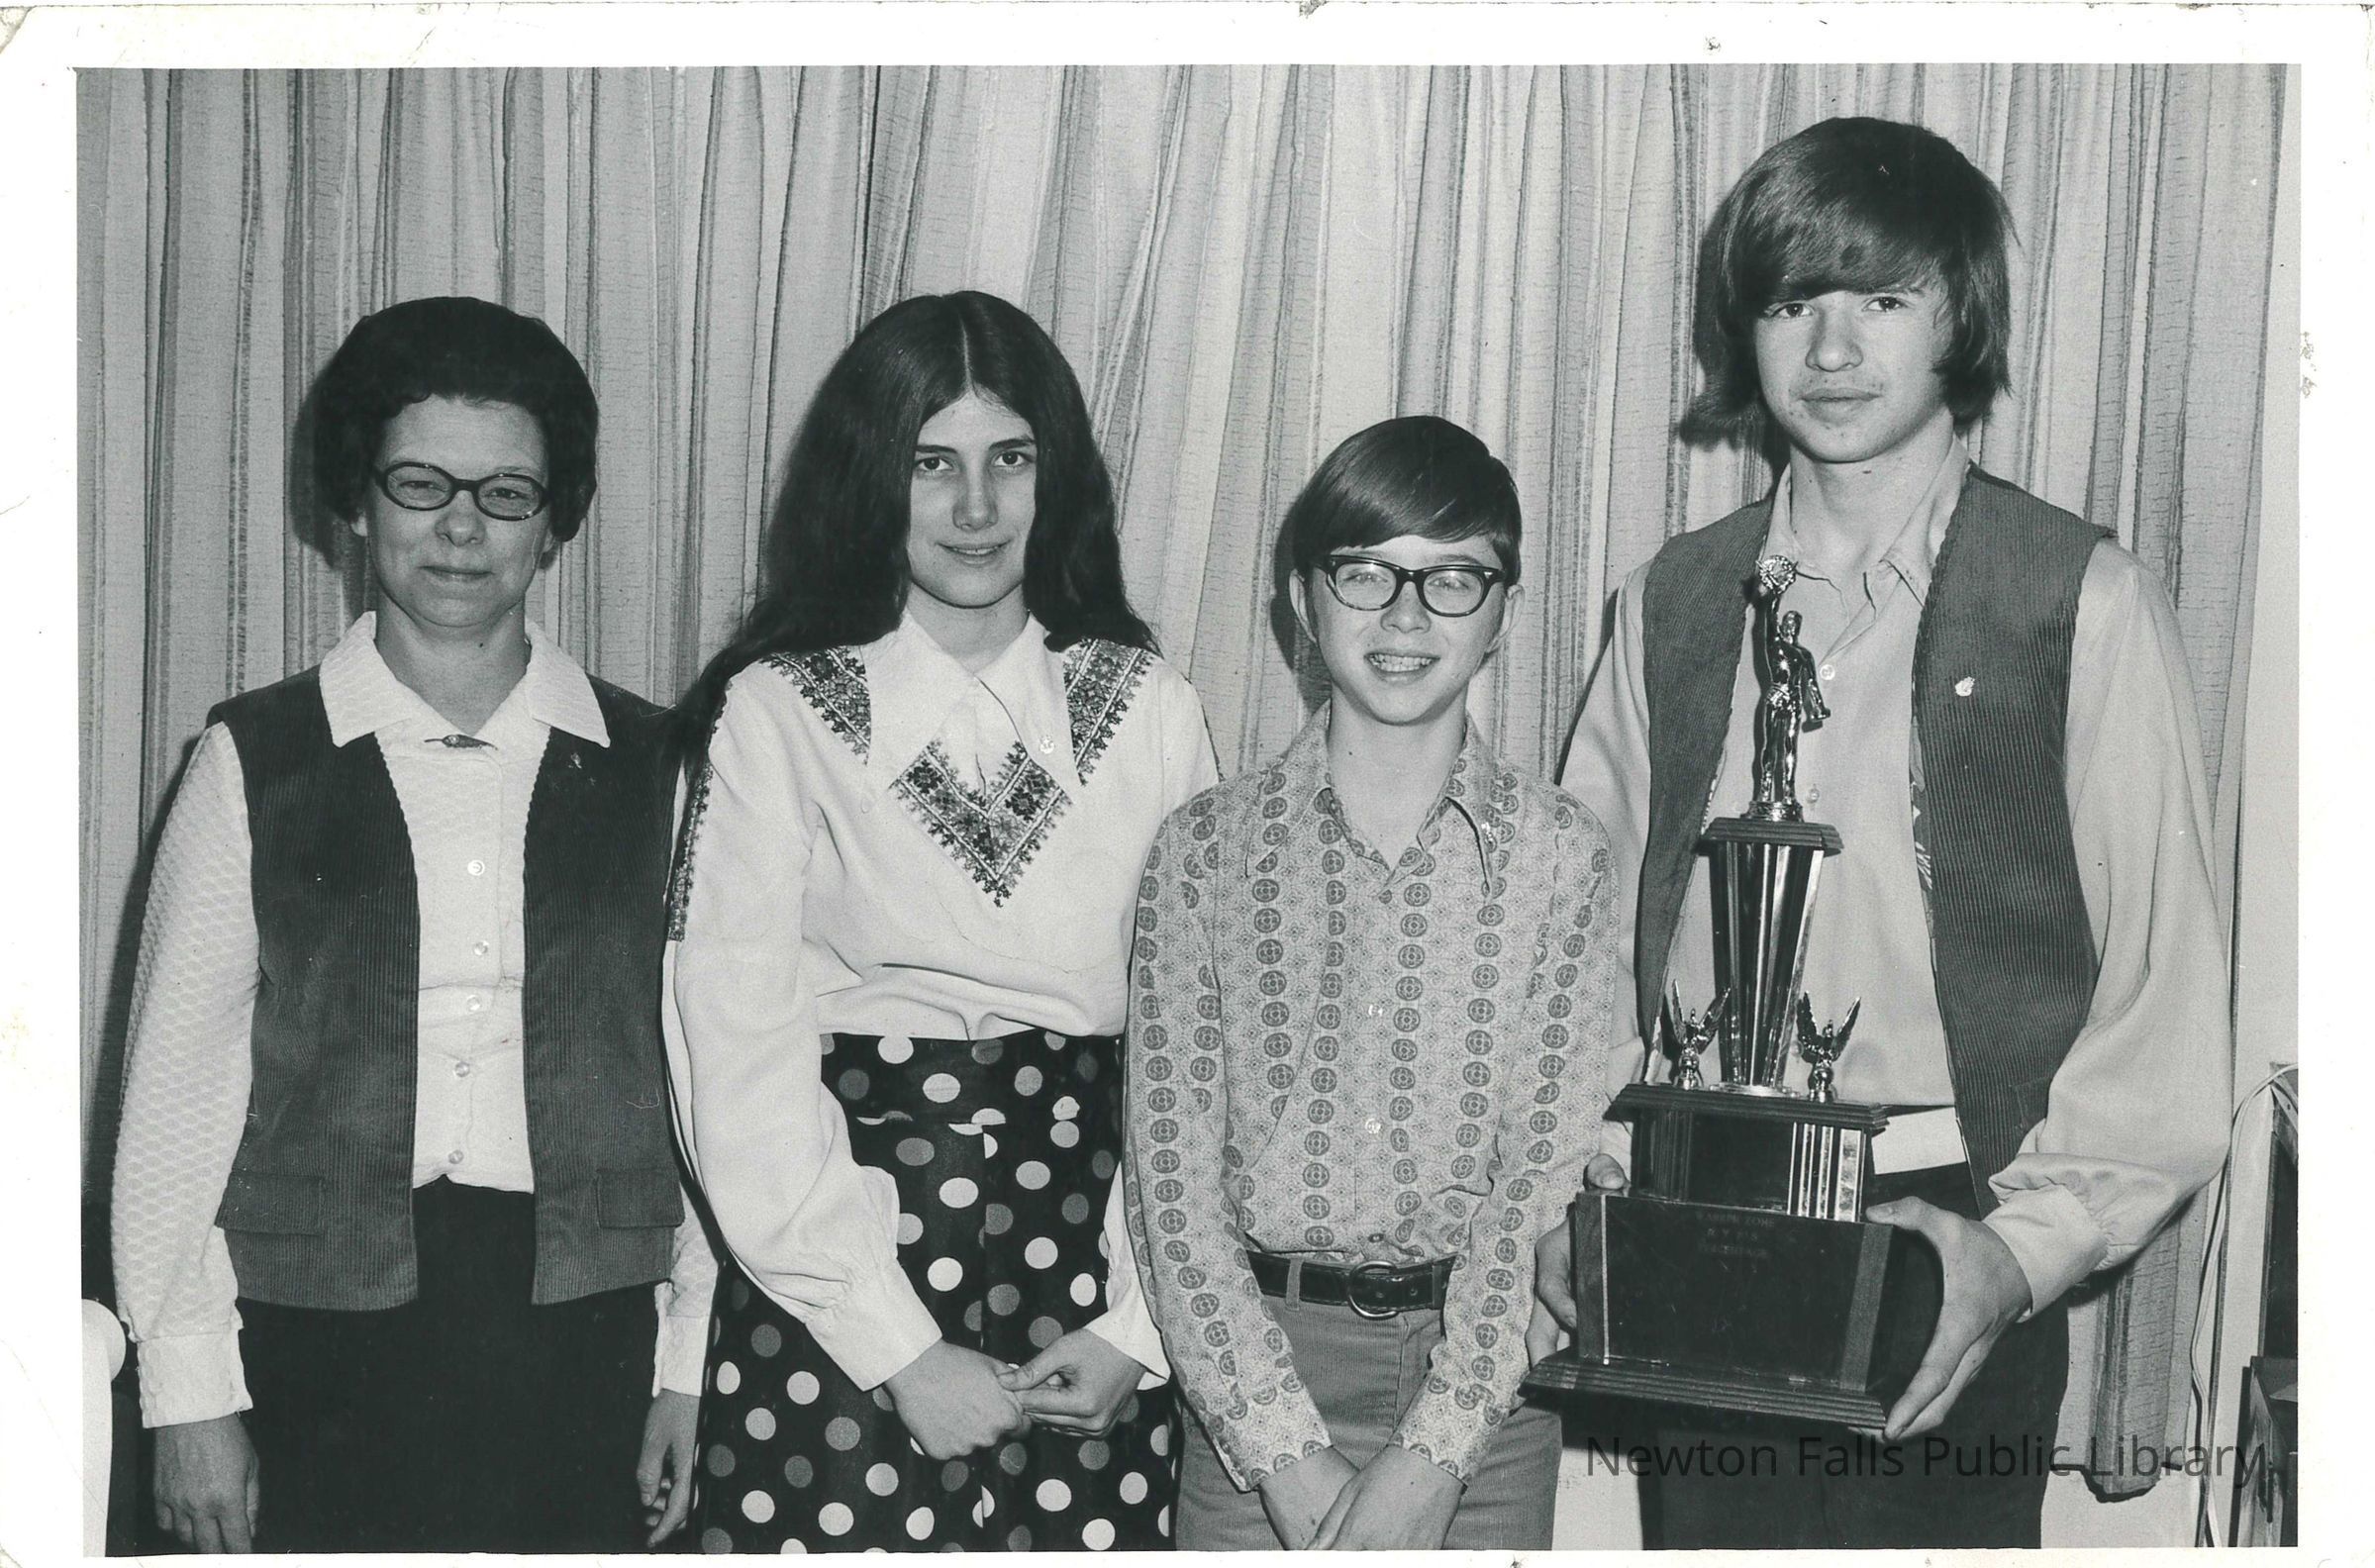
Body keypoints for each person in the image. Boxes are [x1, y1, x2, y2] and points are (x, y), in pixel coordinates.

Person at [1547, 116, 2232, 1548]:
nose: (1832, 349)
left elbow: (2159, 1002)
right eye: (1792, 301)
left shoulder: (2077, 601)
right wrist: (1575, 1193)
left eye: (1882, 298)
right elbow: (1576, 955)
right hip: (1698, 1213)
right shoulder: (1669, 603)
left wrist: (2014, 1257)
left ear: (1957, 318)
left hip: (1945, 1235)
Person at [110, 296, 715, 1553]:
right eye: (420, 483)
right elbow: (175, 1102)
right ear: (357, 500)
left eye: (505, 494)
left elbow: (711, 1088)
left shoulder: (658, 767)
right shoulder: (252, 761)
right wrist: (187, 1393)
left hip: (585, 1333)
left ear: (554, 522)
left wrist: (689, 1361)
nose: (460, 528)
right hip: (311, 1337)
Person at [663, 290, 1217, 1553]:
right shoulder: (775, 712)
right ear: (871, 475)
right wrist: (894, 1346)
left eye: (1009, 459)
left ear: (1055, 474)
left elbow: (1204, 1050)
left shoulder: (1148, 709)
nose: (975, 507)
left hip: (1095, 1284)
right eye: (931, 463)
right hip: (836, 1286)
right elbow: (730, 1049)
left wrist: (1139, 1330)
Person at [1125, 415, 1619, 1551]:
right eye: (1365, 573)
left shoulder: (1560, 857)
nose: (1404, 618)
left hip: (1483, 1390)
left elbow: (1538, 1180)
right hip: (1252, 1387)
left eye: (1451, 579)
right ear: (1304, 599)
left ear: (1500, 613)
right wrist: (1280, 1456)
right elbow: (1171, 1189)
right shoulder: (1202, 852)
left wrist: (1435, 1453)